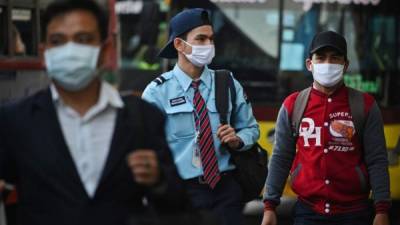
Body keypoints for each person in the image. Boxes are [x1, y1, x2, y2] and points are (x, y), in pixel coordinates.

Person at [0, 1, 186, 225]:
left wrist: (158, 180)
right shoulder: (17, 121)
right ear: (44, 52)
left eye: (83, 40)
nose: (70, 51)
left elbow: (179, 204)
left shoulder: (142, 118)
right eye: (58, 41)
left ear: (104, 50)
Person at [142, 8, 260, 225]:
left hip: (225, 191)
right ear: (179, 44)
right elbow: (146, 147)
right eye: (201, 39)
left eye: (211, 39)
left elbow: (251, 129)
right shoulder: (156, 92)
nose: (208, 45)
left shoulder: (227, 83)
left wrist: (238, 140)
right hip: (180, 193)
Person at [261, 31, 391, 225]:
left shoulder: (365, 105)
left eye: (335, 58)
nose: (327, 64)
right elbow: (281, 156)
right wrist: (269, 207)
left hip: (355, 213)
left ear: (345, 65)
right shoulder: (293, 105)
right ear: (309, 64)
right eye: (320, 58)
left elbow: (377, 160)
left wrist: (382, 210)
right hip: (307, 212)